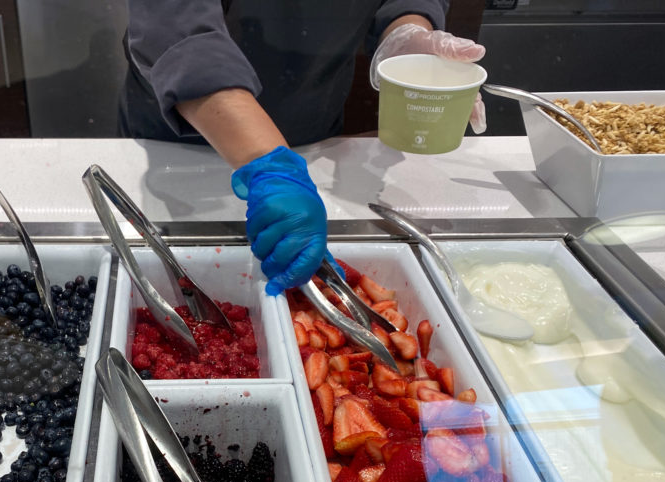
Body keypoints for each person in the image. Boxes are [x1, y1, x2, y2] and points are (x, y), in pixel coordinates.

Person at [119, 1, 486, 295]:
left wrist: (408, 28)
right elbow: (176, 28)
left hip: (311, 129)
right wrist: (272, 166)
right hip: (180, 138)